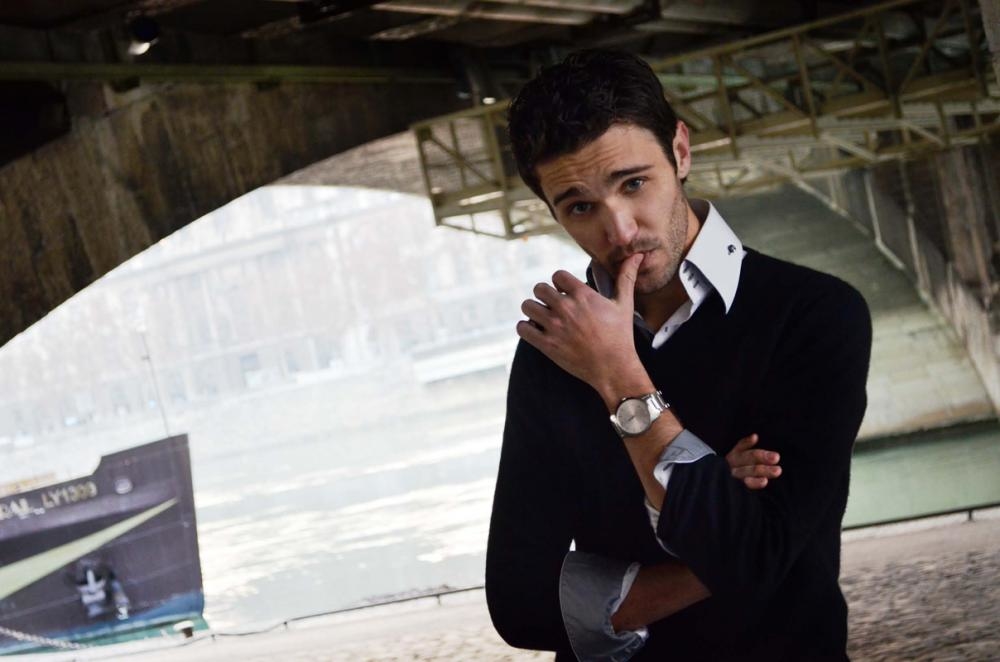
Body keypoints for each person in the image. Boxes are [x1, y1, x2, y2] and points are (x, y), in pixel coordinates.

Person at [485, 49, 871, 661]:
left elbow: (755, 554)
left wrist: (619, 376)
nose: (620, 231)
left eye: (634, 183)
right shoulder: (552, 351)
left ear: (681, 152)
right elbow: (520, 606)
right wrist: (719, 521)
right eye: (580, 207)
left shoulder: (815, 315)